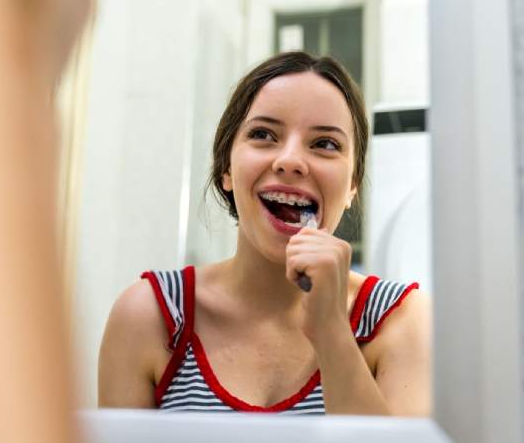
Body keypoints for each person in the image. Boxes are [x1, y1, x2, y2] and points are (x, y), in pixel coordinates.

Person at [97, 51, 431, 416]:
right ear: (225, 168)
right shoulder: (151, 316)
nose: (289, 160)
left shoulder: (402, 321)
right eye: (263, 134)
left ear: (352, 185)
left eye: (325, 143)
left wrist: (332, 331)